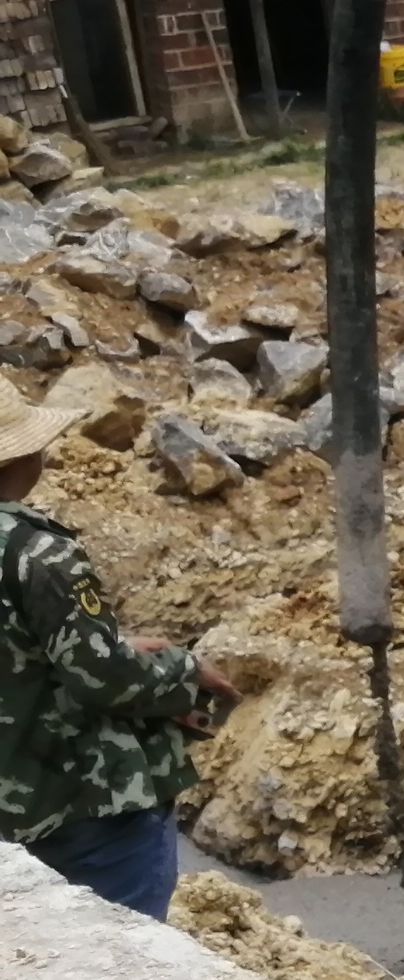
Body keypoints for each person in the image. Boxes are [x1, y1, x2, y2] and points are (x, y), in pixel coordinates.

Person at [0, 383, 233, 920]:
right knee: (121, 944)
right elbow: (103, 678)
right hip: (77, 802)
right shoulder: (37, 553)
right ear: (22, 457)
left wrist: (105, 643)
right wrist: (183, 671)